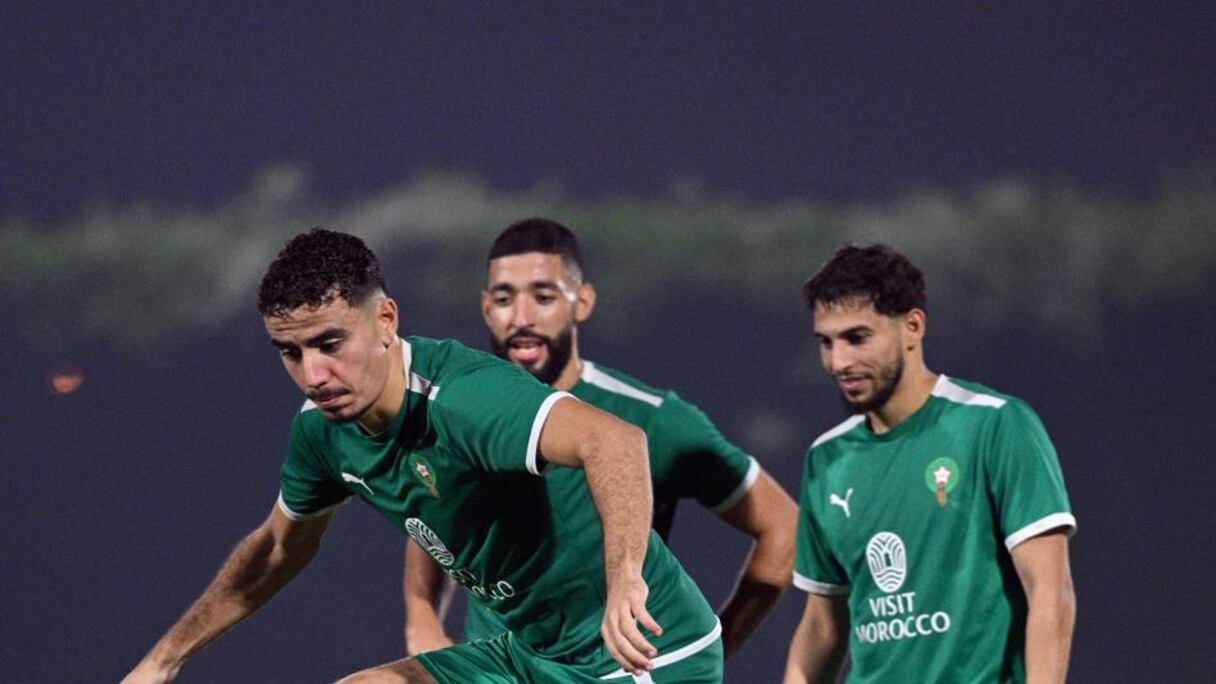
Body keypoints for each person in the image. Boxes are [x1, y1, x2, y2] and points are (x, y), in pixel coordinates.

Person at [122, 227, 725, 684]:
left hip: (643, 652)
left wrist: (625, 579)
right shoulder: (322, 432)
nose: (313, 374)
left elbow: (615, 441)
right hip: (530, 655)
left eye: (330, 343)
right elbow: (276, 551)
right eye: (290, 353)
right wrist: (161, 661)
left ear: (385, 320)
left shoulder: (464, 398)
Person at [403, 218, 797, 661]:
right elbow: (429, 507)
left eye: (544, 297)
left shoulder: (652, 418)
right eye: (504, 299)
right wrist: (422, 620)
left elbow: (783, 526)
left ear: (583, 302)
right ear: (485, 308)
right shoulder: (458, 407)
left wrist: (711, 651)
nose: (522, 318)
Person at [783, 244, 1076, 683]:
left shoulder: (996, 425)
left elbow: (1050, 593)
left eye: (857, 338)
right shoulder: (826, 460)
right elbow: (823, 625)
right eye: (826, 342)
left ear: (913, 327)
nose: (839, 362)